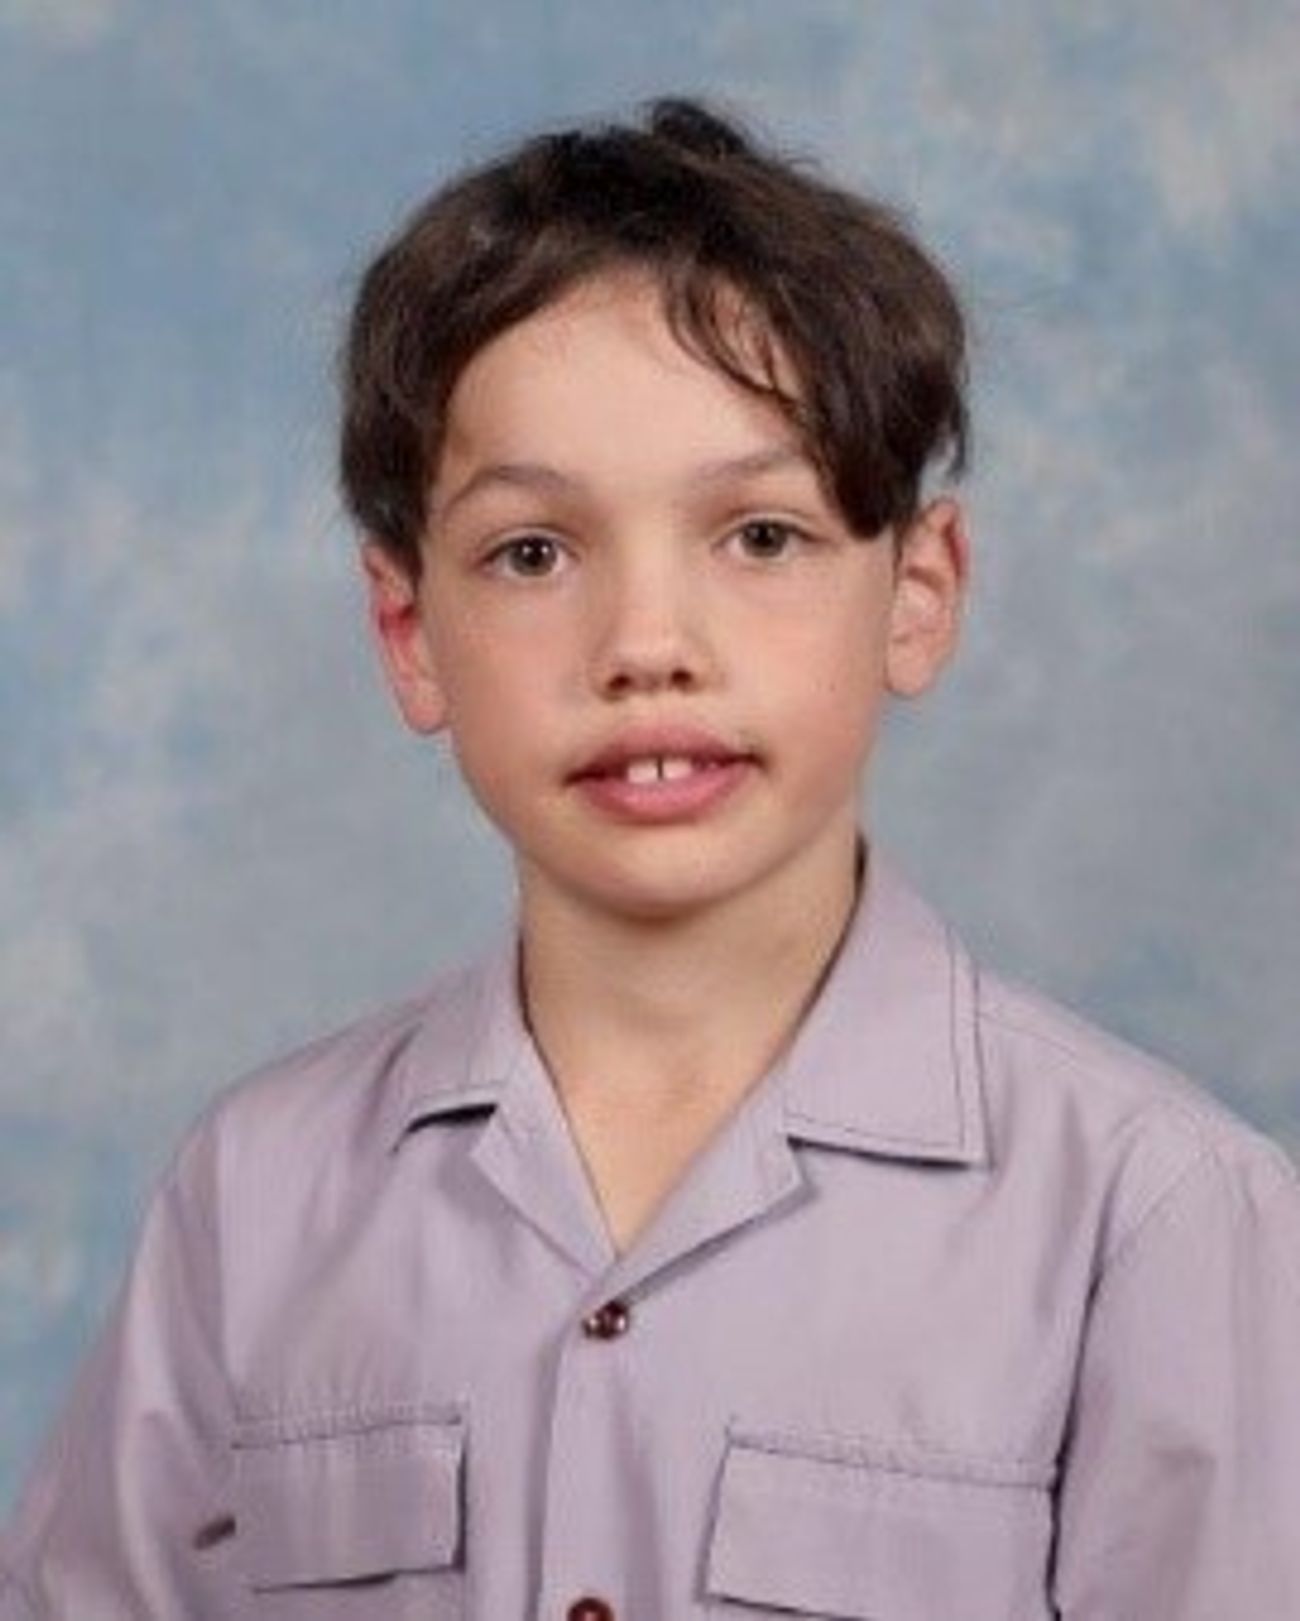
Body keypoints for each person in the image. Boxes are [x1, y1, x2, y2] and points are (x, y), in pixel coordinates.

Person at [2, 95, 1298, 1621]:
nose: (646, 645)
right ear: (408, 630)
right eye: (533, 552)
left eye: (760, 536)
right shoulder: (258, 1192)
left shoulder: (1155, 1214)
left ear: (918, 591)